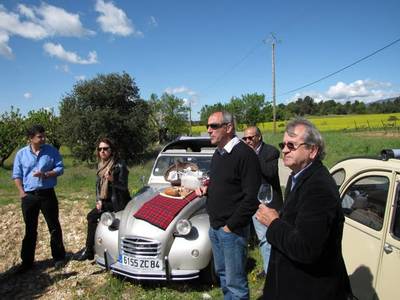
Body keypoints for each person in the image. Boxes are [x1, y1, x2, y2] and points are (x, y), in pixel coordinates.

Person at [255, 118, 352, 300]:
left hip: (310, 289)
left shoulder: (319, 187)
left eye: (291, 145)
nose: (284, 150)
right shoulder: (296, 177)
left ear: (312, 150)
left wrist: (273, 222)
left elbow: (306, 248)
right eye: (283, 144)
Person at [196, 111, 261, 299]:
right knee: (223, 277)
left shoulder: (245, 155)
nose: (208, 130)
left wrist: (229, 227)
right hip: (216, 228)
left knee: (235, 284)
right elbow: (224, 182)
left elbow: (252, 198)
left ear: (229, 127)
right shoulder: (219, 153)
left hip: (232, 231)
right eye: (207, 126)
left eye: (214, 126)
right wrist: (207, 188)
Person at [12, 125, 66, 272]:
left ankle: (59, 257)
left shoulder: (51, 151)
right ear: (31, 138)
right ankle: (27, 262)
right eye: (39, 136)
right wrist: (22, 192)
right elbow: (17, 175)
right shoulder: (21, 154)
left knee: (53, 225)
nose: (43, 139)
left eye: (44, 136)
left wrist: (46, 174)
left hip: (47, 193)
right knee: (30, 229)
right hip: (29, 196)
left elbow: (60, 168)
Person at [76, 138, 131, 261]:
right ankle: (90, 250)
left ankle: (96, 250)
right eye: (100, 149)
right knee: (91, 217)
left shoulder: (120, 165)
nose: (102, 151)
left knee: (104, 221)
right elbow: (98, 185)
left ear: (111, 150)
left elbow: (124, 186)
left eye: (105, 149)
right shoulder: (101, 165)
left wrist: (112, 180)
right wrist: (98, 200)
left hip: (117, 202)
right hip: (105, 201)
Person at [243, 126, 283, 277]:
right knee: (263, 239)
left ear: (259, 137)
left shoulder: (271, 151)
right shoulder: (245, 153)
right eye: (245, 138)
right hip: (254, 203)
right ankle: (269, 270)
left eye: (250, 138)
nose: (247, 141)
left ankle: (274, 271)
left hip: (270, 202)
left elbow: (270, 173)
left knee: (271, 238)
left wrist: (253, 156)